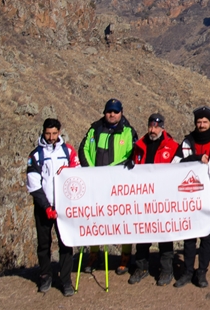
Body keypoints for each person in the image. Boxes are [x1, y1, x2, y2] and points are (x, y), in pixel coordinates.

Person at [171, 106, 210, 287]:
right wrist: (195, 158)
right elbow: (174, 164)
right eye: (199, 122)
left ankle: (202, 272)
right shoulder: (187, 144)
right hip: (190, 200)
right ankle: (188, 271)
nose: (202, 125)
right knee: (189, 239)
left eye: (205, 122)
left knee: (206, 239)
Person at [78, 98, 138, 273]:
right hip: (96, 183)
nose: (112, 114)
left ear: (121, 112)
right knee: (95, 219)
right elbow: (84, 150)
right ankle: (94, 254)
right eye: (109, 111)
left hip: (118, 184)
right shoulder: (94, 129)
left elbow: (131, 155)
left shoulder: (128, 132)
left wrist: (113, 172)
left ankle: (125, 256)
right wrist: (91, 171)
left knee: (123, 218)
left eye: (115, 111)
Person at [25, 118, 80, 296]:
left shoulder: (68, 151)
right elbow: (34, 185)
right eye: (48, 133)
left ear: (59, 132)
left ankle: (66, 281)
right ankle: (45, 276)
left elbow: (77, 173)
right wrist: (46, 206)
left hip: (64, 207)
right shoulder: (35, 155)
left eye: (54, 133)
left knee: (65, 243)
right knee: (44, 244)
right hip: (44, 208)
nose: (51, 137)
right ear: (43, 132)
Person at [129, 113, 181, 286]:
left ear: (162, 127)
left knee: (164, 234)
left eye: (156, 126)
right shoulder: (139, 146)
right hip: (143, 198)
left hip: (163, 198)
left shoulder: (172, 146)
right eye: (151, 126)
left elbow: (181, 167)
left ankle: (166, 270)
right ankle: (141, 267)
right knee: (143, 232)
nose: (153, 130)